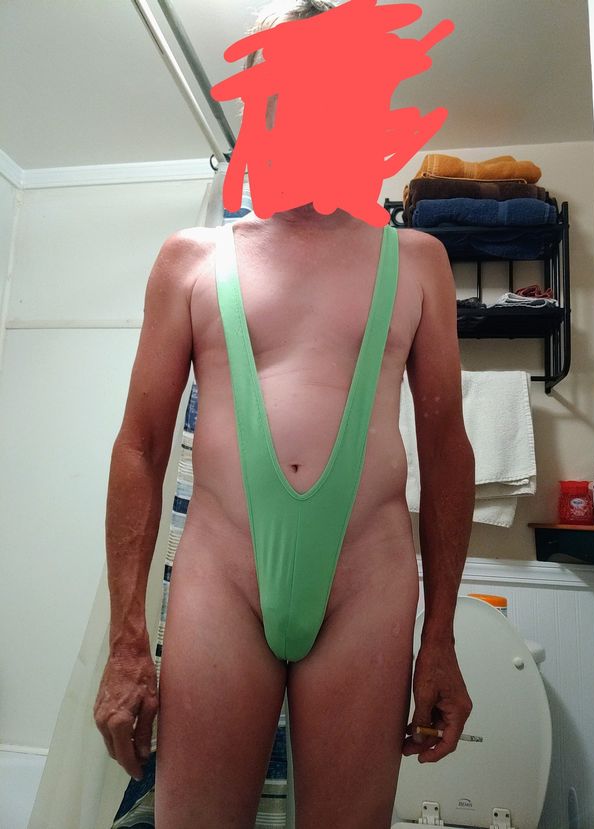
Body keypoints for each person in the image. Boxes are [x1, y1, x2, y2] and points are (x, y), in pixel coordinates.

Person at [93, 2, 475, 827]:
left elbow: (448, 451)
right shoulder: (191, 260)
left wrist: (440, 636)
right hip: (222, 578)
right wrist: (126, 639)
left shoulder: (418, 262)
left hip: (368, 580)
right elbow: (139, 448)